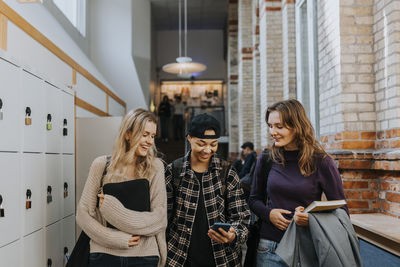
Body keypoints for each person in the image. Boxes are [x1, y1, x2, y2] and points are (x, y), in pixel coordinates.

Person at [248, 99, 348, 267]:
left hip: (306, 248)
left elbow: (341, 211)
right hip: (269, 247)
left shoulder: (321, 162)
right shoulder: (266, 158)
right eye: (270, 126)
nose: (273, 132)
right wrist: (268, 214)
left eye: (279, 126)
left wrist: (311, 219)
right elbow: (253, 200)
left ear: (297, 126)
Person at [76, 109, 167, 267]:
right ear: (128, 134)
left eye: (152, 136)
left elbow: (159, 218)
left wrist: (113, 210)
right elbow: (83, 215)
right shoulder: (102, 165)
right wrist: (116, 239)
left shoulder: (155, 167)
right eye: (144, 135)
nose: (150, 141)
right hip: (104, 254)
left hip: (144, 256)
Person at [165, 113, 251, 267]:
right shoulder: (173, 171)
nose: (207, 150)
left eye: (213, 144)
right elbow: (163, 219)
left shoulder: (227, 172)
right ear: (189, 138)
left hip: (222, 259)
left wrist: (234, 235)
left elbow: (242, 218)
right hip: (178, 258)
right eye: (201, 143)